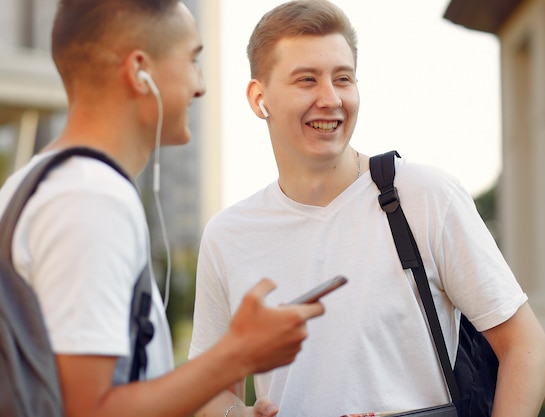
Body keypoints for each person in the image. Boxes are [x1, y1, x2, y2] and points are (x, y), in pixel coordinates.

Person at [188, 0, 545, 416]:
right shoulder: (229, 235)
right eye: (306, 80)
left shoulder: (426, 196)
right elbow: (207, 385)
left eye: (342, 78)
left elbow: (528, 350)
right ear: (259, 98)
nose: (330, 99)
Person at [0, 1, 325, 417]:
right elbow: (90, 410)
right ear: (140, 71)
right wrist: (238, 354)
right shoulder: (91, 199)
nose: (201, 85)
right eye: (192, 59)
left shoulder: (33, 184)